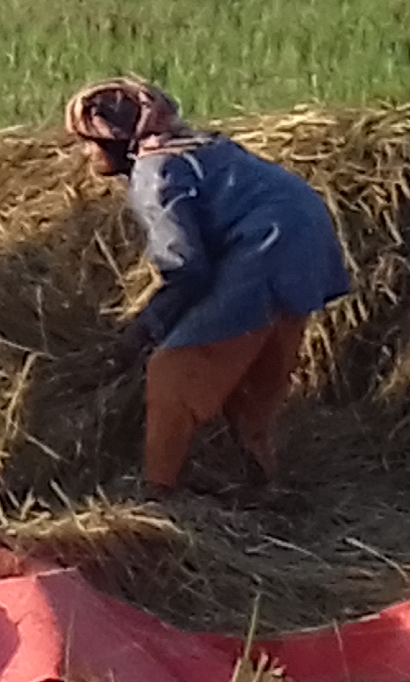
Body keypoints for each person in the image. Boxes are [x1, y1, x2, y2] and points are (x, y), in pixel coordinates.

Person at [65, 77, 352, 498]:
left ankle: (158, 492)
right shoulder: (198, 145)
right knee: (251, 367)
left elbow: (187, 269)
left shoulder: (156, 174)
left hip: (265, 250)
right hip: (306, 236)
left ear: (119, 141)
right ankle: (258, 477)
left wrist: (144, 330)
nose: (86, 154)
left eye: (90, 144)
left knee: (173, 370)